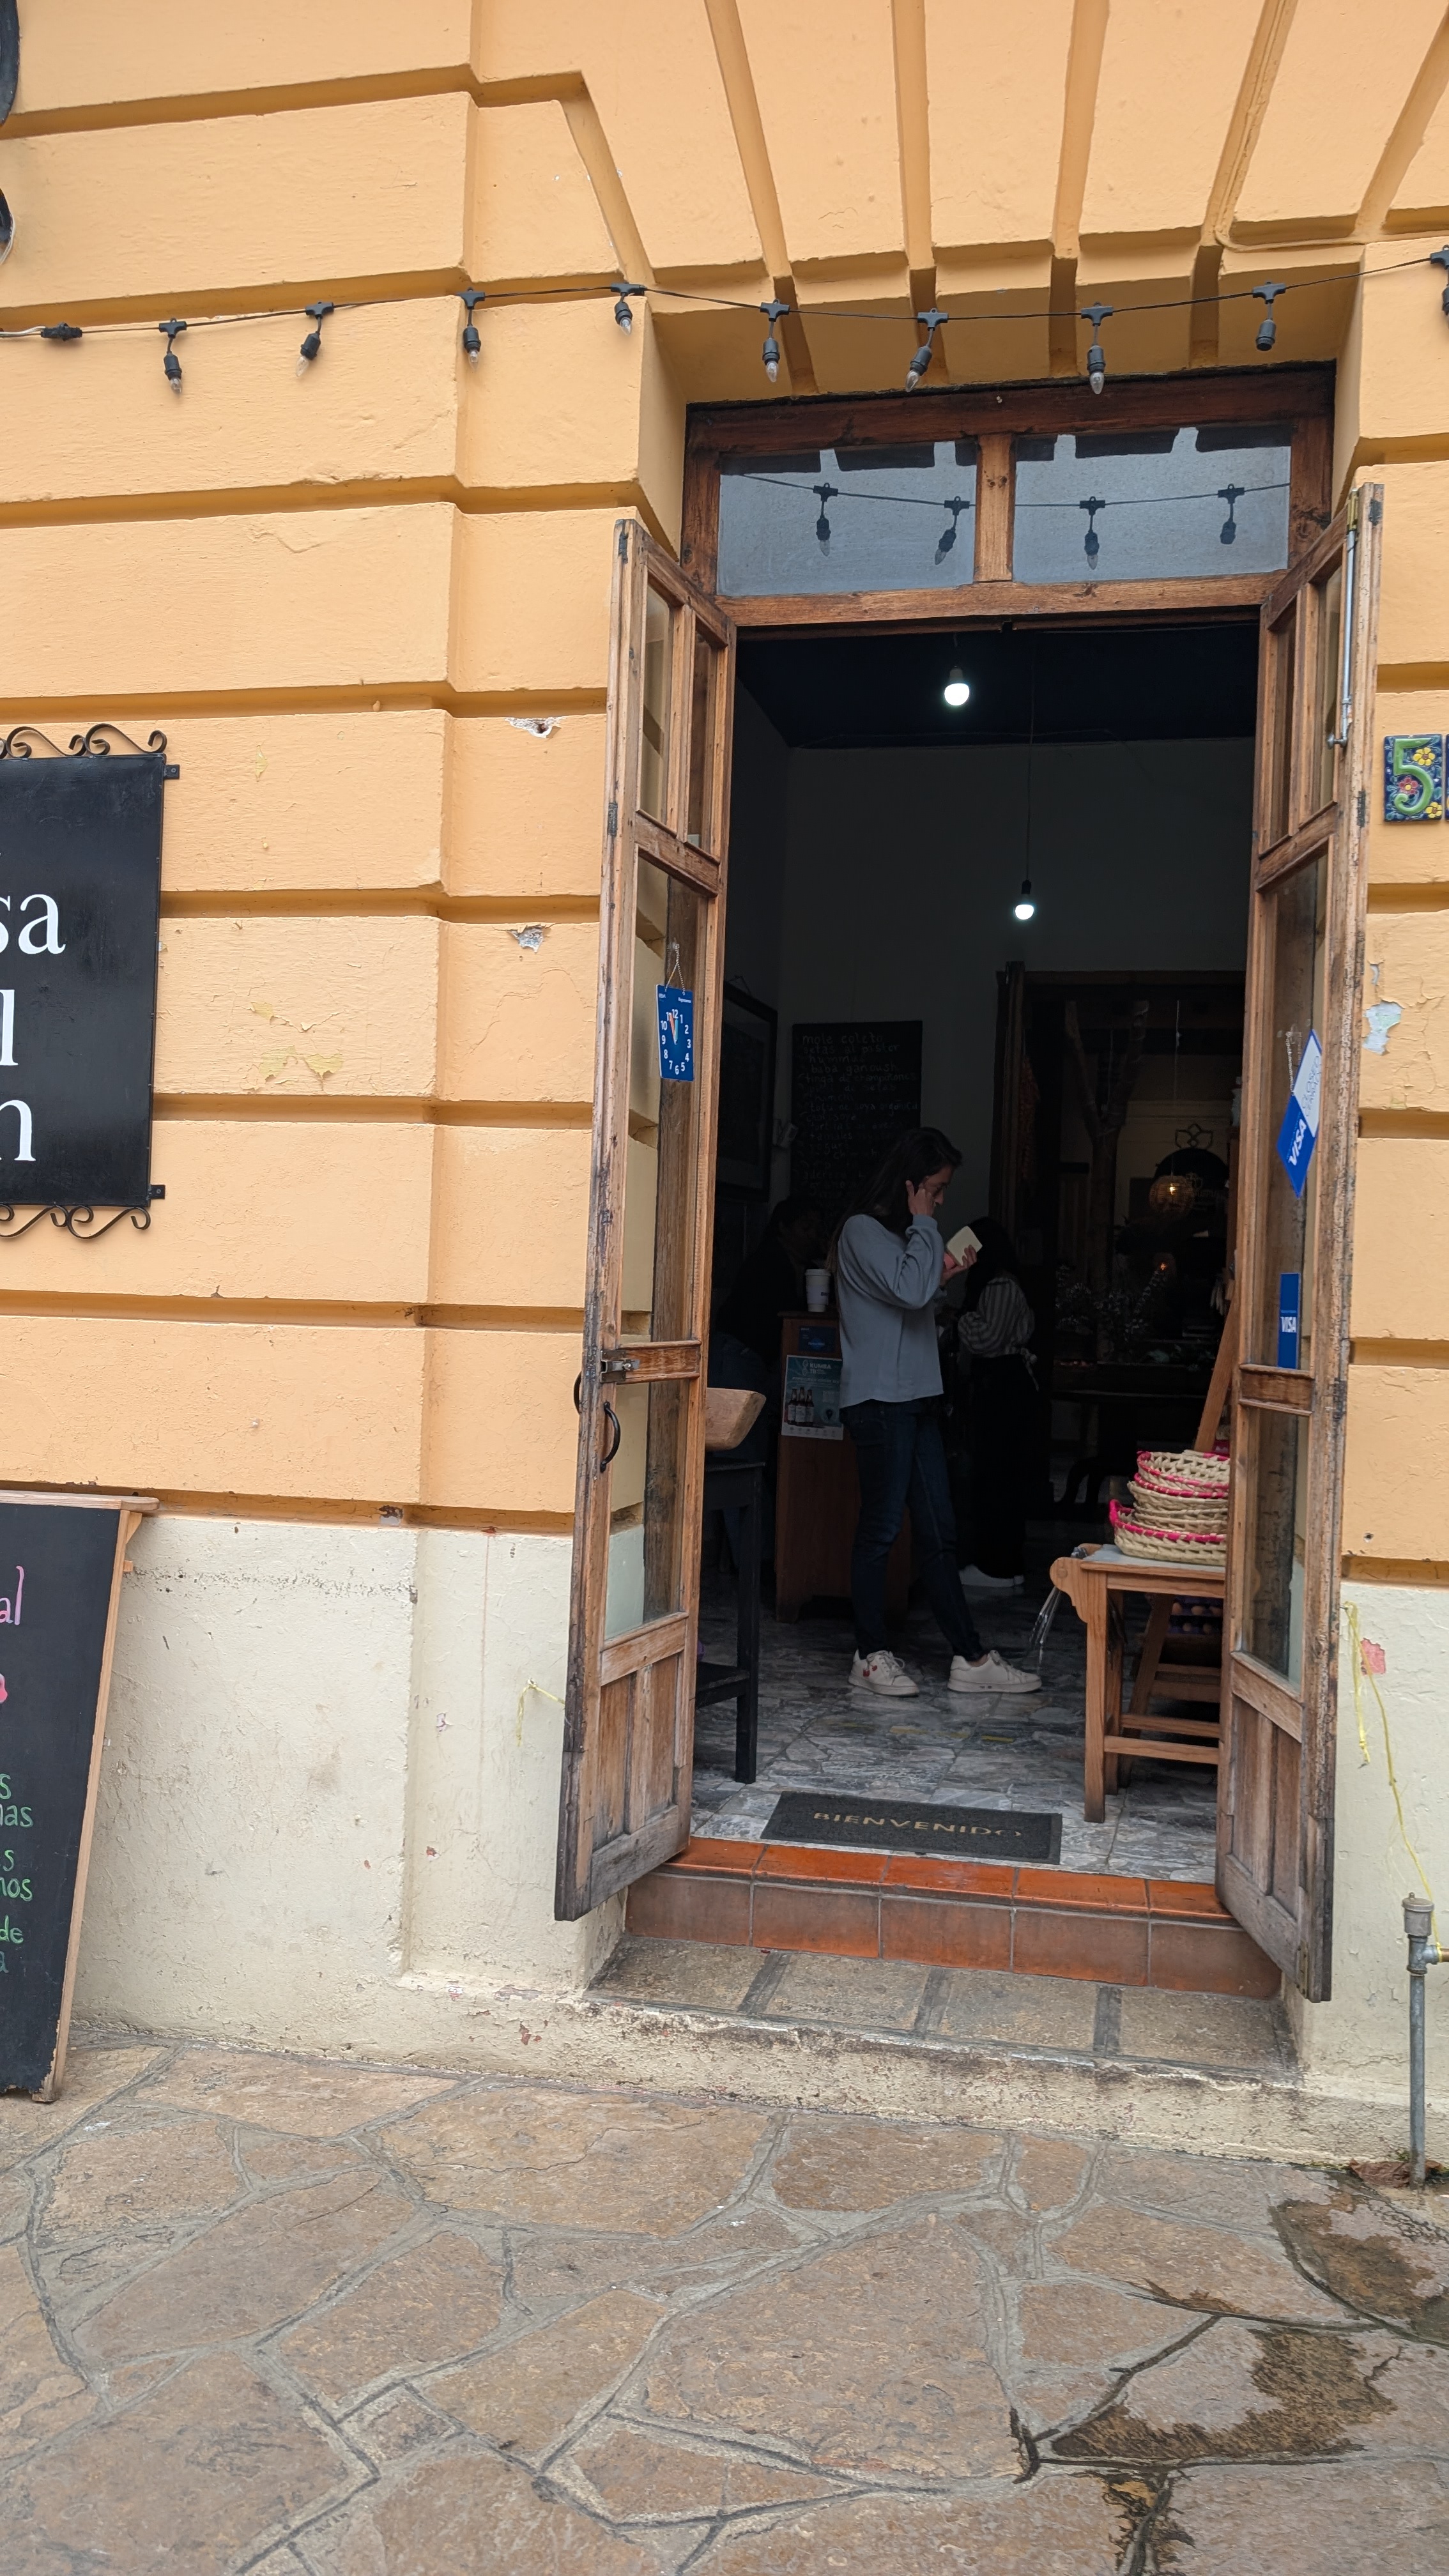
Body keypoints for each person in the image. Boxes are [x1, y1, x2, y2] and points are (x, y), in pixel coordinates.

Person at [834, 1129, 1040, 1700]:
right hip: (880, 1401)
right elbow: (905, 1292)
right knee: (880, 1531)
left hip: (916, 1399)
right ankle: (869, 1654)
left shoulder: (902, 1237)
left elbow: (914, 1296)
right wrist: (925, 1229)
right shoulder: (861, 1230)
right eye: (936, 1189)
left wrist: (938, 1274)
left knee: (939, 1534)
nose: (941, 1200)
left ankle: (970, 1657)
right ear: (910, 1185)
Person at [956, 1216, 1038, 1591]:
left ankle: (998, 1566)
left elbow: (987, 1338)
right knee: (998, 1474)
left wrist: (958, 1320)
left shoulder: (1001, 1286)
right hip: (1003, 1385)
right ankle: (1004, 1564)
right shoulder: (1001, 1284)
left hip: (1002, 1386)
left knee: (996, 1475)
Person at [716, 1196, 822, 1369]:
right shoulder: (766, 1262)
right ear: (783, 1227)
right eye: (805, 1227)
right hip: (742, 1351)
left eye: (817, 1229)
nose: (813, 1235)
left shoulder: (809, 1268)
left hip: (768, 1357)